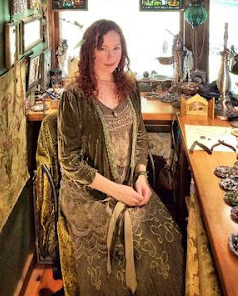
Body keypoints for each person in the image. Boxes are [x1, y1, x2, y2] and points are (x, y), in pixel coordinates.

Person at [57, 19, 184, 295]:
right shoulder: (73, 96)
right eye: (102, 48)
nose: (110, 56)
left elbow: (140, 135)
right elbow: (69, 161)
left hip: (129, 185)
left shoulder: (129, 85)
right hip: (89, 195)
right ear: (89, 51)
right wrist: (116, 191)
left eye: (116, 48)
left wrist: (141, 176)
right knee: (131, 237)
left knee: (165, 237)